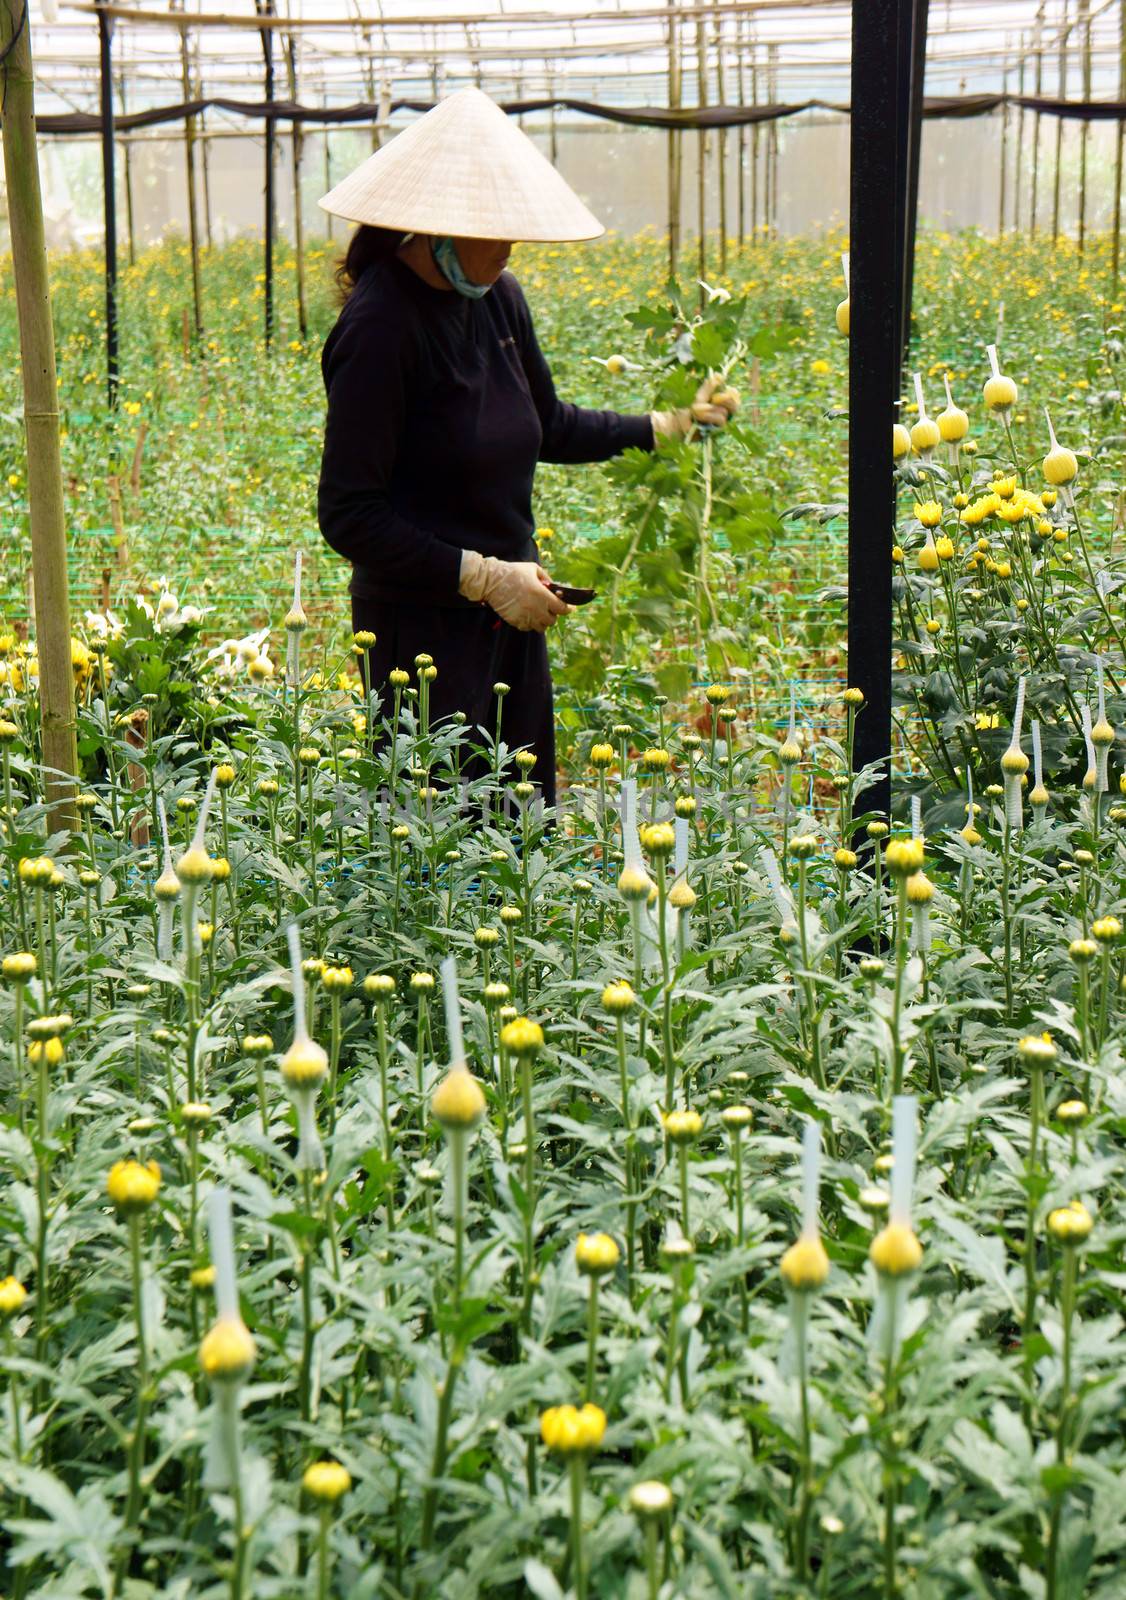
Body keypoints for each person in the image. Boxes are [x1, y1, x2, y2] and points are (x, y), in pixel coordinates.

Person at [316, 87, 736, 807]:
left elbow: (550, 424)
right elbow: (349, 513)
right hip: (419, 639)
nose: (511, 248)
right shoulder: (380, 328)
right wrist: (481, 576)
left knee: (521, 824)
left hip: (510, 619)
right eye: (497, 230)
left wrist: (667, 425)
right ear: (436, 225)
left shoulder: (498, 297)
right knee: (440, 839)